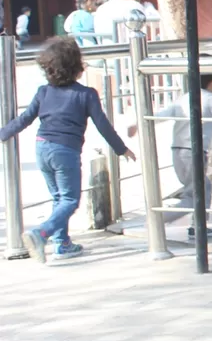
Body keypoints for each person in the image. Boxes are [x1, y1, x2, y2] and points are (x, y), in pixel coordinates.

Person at [0, 37, 135, 262]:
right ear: (77, 68)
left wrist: (3, 133)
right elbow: (103, 126)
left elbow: (24, 119)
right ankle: (41, 233)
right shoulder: (87, 94)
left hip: (41, 148)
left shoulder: (43, 92)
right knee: (70, 200)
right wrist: (122, 149)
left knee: (58, 198)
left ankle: (62, 243)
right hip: (65, 152)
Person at [129, 68, 212, 241]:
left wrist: (137, 123)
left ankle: (197, 224)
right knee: (195, 194)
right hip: (193, 153)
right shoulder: (211, 100)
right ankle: (161, 220)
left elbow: (162, 114)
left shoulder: (185, 98)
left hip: (178, 151)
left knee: (200, 189)